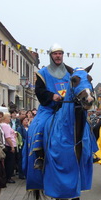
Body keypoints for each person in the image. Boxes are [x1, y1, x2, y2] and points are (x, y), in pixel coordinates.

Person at [23, 43, 71, 190]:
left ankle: (89, 153)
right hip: (48, 109)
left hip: (65, 109)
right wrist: (52, 96)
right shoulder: (43, 73)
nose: (58, 56)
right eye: (55, 54)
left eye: (60, 53)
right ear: (51, 56)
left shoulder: (70, 72)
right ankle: (39, 155)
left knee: (84, 125)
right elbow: (39, 91)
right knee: (39, 126)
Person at [0, 113, 17, 184]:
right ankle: (8, 177)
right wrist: (12, 146)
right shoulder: (5, 125)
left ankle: (8, 176)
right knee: (10, 163)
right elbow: (7, 137)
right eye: (9, 117)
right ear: (5, 118)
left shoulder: (4, 125)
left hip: (9, 145)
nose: (10, 118)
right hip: (9, 146)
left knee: (9, 162)